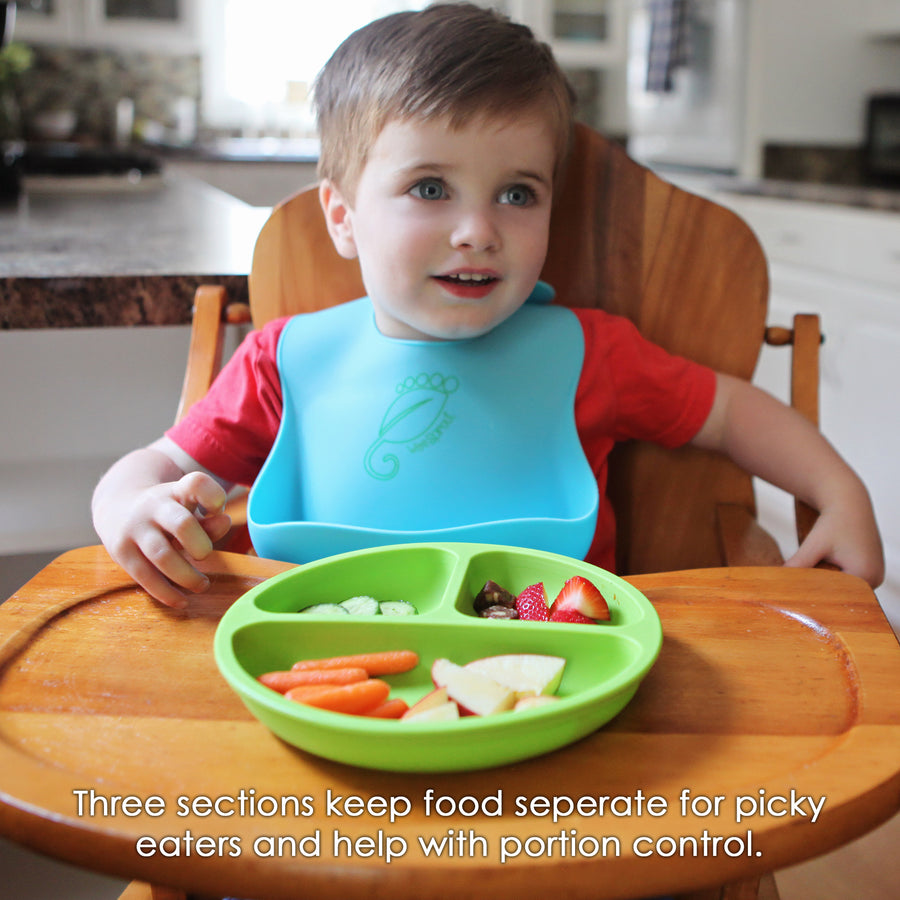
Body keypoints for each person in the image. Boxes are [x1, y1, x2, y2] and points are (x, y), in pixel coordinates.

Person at [91, 2, 883, 609]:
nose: (478, 231)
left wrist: (841, 492)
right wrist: (129, 504)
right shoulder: (281, 362)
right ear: (342, 216)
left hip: (557, 677)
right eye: (430, 188)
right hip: (320, 669)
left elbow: (731, 414)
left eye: (517, 193)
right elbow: (160, 464)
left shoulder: (591, 354)